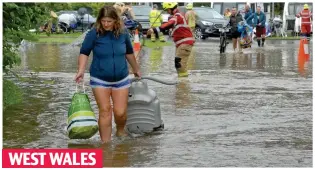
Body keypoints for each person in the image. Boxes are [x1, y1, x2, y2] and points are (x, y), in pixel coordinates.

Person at [74, 6, 141, 143]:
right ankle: (106, 146)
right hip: (99, 78)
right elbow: (84, 52)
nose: (106, 24)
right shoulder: (94, 33)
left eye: (109, 21)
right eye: (103, 21)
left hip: (121, 78)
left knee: (120, 112)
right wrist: (80, 70)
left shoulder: (123, 33)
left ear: (116, 20)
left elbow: (129, 52)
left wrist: (136, 69)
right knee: (105, 111)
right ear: (99, 20)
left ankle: (120, 131)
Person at [147, 2, 195, 77]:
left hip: (185, 43)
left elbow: (169, 24)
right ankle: (182, 82)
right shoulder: (177, 15)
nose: (168, 12)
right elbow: (168, 27)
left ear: (171, 8)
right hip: (182, 44)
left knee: (179, 65)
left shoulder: (177, 16)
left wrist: (154, 30)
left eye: (168, 10)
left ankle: (183, 85)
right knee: (179, 65)